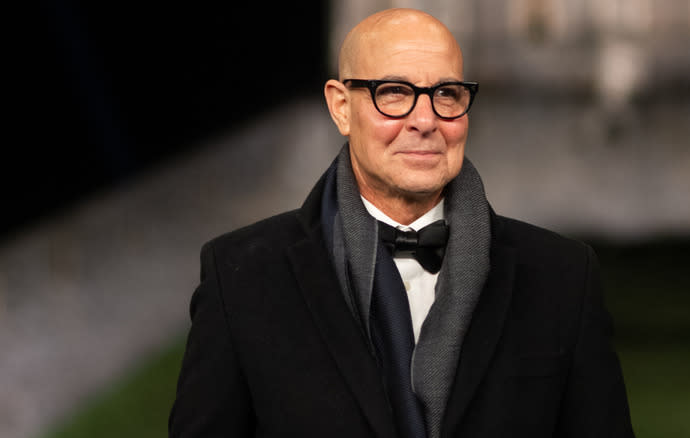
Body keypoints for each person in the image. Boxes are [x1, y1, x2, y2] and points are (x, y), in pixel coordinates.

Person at [169, 8, 634, 438]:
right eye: (394, 93)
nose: (426, 120)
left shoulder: (563, 278)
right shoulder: (242, 279)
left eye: (446, 94)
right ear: (340, 107)